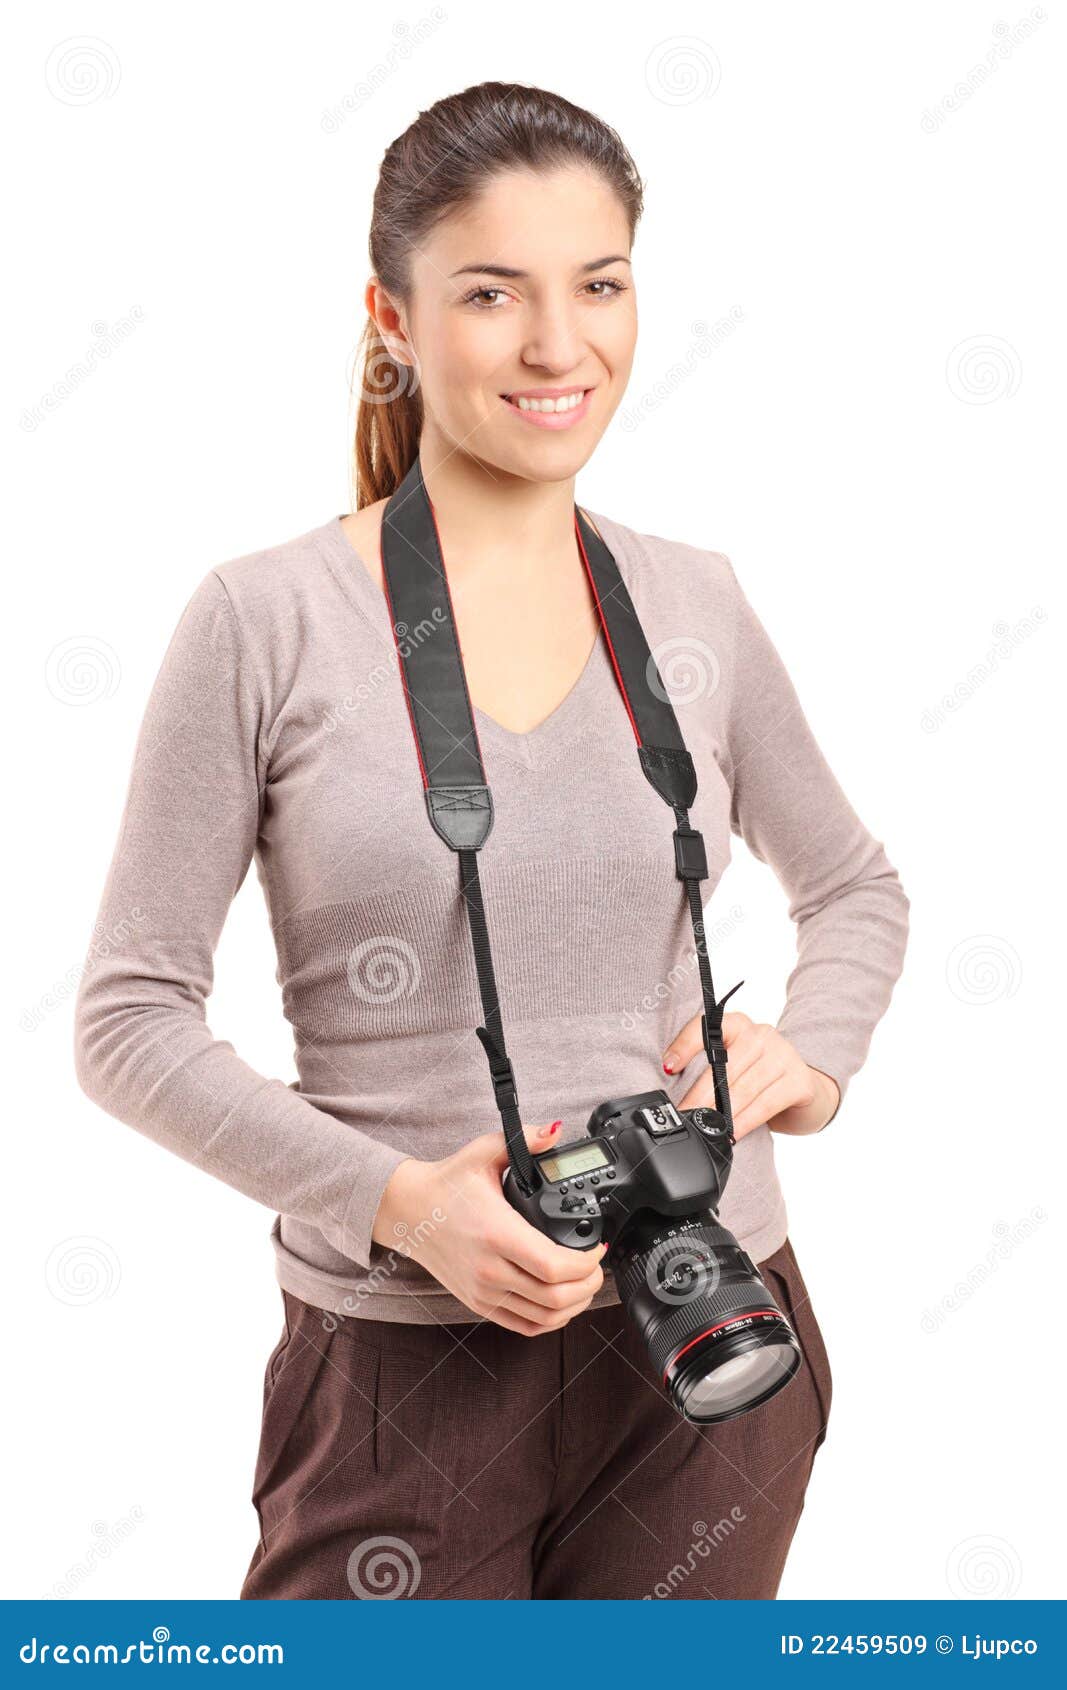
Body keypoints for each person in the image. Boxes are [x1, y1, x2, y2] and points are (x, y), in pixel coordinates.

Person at [73, 80, 909, 1600]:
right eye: (490, 293)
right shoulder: (264, 620)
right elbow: (128, 1023)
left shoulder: (697, 600)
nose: (558, 345)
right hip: (403, 1368)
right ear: (390, 318)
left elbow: (855, 885)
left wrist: (809, 1058)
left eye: (600, 284)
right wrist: (402, 1207)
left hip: (710, 1332)